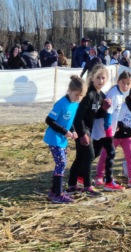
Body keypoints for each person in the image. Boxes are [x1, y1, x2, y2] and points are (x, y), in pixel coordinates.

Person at [66, 64, 112, 197]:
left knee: (80, 157)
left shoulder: (100, 95)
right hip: (82, 129)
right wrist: (82, 134)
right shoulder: (88, 94)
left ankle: (72, 185)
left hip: (89, 130)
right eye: (98, 78)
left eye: (103, 78)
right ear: (92, 78)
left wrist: (104, 109)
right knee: (89, 156)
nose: (101, 81)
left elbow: (96, 115)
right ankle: (88, 186)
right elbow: (78, 116)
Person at [44, 75, 86, 203]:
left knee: (62, 163)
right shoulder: (62, 103)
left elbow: (70, 121)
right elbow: (49, 120)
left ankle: (53, 191)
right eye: (77, 95)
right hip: (54, 138)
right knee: (61, 163)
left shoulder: (75, 104)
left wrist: (73, 131)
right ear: (70, 90)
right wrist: (64, 131)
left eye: (81, 96)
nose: (78, 98)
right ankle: (58, 193)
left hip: (63, 139)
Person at [92, 71, 131, 191]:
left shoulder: (121, 94)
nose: (125, 86)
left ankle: (82, 175)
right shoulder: (114, 94)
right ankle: (108, 182)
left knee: (95, 153)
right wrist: (109, 131)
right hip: (104, 129)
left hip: (108, 129)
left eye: (128, 84)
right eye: (123, 82)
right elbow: (108, 114)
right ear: (118, 81)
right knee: (110, 153)